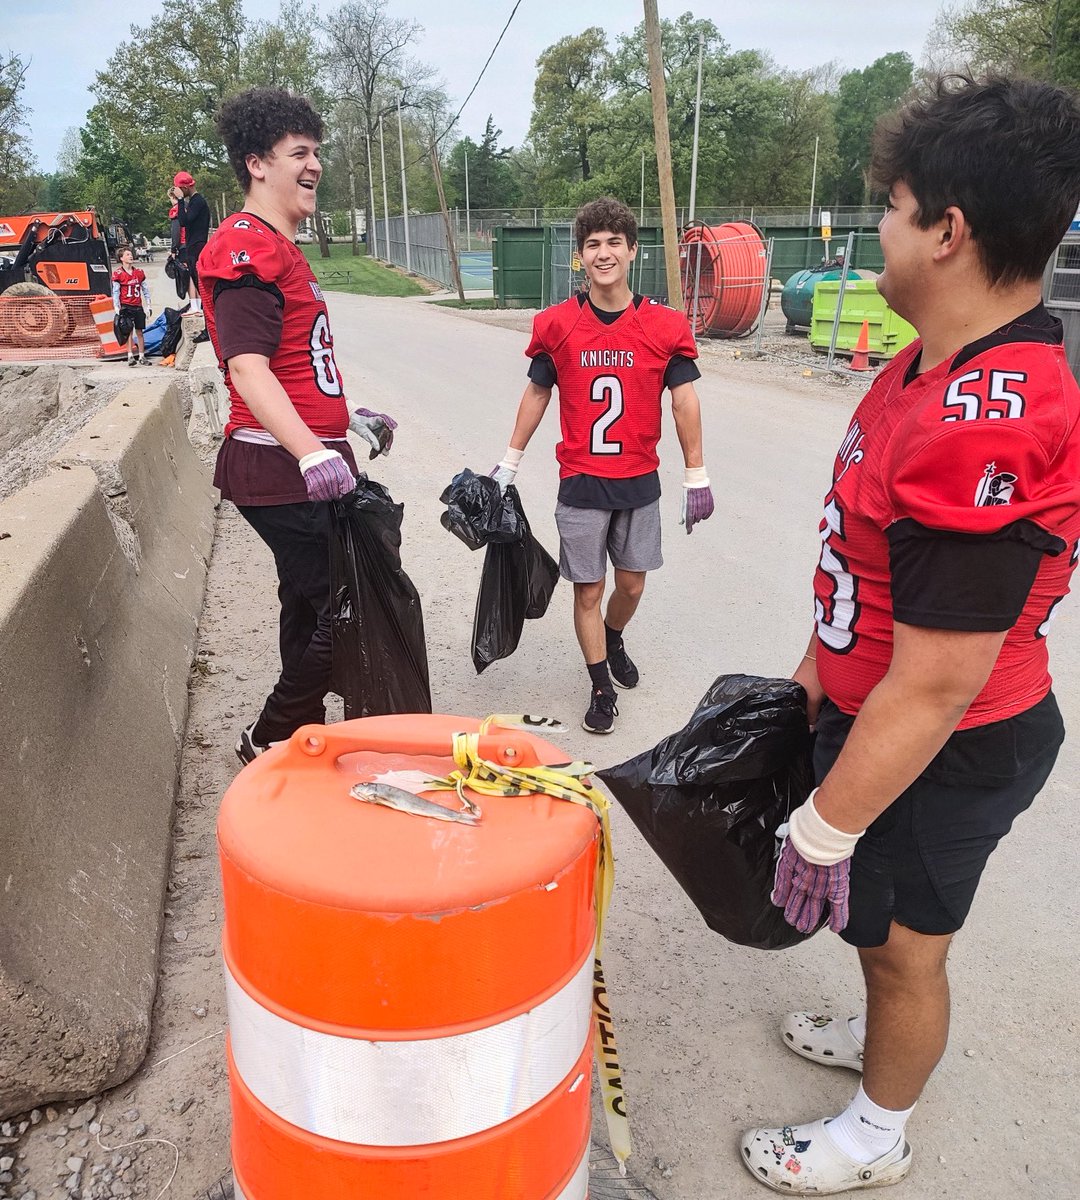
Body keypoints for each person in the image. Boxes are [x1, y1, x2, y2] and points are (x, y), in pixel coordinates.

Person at [742, 74, 1080, 1195]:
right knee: (882, 933)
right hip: (882, 712)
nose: (872, 230)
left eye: (888, 207)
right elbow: (865, 570)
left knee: (903, 949)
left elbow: (936, 682)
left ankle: (875, 1135)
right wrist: (803, 687)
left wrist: (827, 829)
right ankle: (881, 1027)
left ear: (948, 231)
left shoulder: (987, 418)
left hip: (952, 742)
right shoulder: (921, 363)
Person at [198, 87, 396, 765]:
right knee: (349, 604)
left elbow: (297, 366)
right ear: (257, 162)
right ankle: (273, 734)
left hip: (297, 457)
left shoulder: (282, 247)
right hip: (273, 465)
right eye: (299, 153)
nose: (314, 166)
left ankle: (299, 731)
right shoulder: (245, 247)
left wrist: (349, 419)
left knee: (310, 600)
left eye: (317, 153)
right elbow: (249, 368)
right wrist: (314, 452)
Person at [491, 197, 714, 734]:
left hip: (638, 482)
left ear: (632, 251)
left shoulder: (663, 326)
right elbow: (537, 395)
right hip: (582, 482)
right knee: (587, 589)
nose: (604, 253)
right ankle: (599, 685)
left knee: (631, 586)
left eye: (614, 242)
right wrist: (509, 463)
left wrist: (696, 473)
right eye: (593, 244)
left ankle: (614, 635)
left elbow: (684, 401)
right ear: (580, 257)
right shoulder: (559, 324)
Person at [170, 170, 210, 312]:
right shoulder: (194, 202)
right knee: (197, 281)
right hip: (193, 246)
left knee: (200, 285)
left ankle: (207, 320)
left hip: (197, 246)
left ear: (185, 188)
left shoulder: (198, 201)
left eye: (180, 190)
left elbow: (183, 221)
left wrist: (180, 201)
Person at [111, 246, 151, 366]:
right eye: (127, 254)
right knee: (128, 331)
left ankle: (142, 356)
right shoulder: (118, 274)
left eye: (130, 254)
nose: (130, 256)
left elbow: (145, 289)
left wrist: (148, 305)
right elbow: (116, 291)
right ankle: (130, 355)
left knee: (140, 331)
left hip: (137, 305)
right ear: (121, 258)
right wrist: (116, 306)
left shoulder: (139, 273)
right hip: (126, 305)